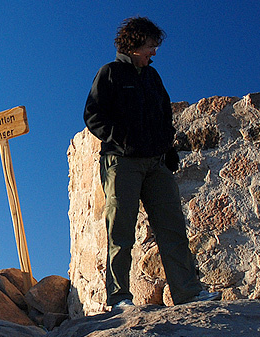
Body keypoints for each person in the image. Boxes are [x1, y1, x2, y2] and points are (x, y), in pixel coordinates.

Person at [83, 16, 219, 309]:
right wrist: (122, 140)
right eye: (149, 46)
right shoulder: (110, 73)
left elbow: (164, 116)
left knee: (172, 228)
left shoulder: (153, 78)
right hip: (122, 163)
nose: (154, 52)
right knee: (120, 231)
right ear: (133, 43)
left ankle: (189, 293)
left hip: (157, 164)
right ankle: (120, 298)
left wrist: (168, 147)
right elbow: (93, 116)